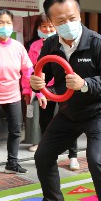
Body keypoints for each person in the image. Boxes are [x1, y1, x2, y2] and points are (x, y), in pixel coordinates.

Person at [28, 0, 101, 201]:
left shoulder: (99, 43)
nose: (67, 24)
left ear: (78, 14)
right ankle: (53, 199)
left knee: (97, 160)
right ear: (51, 22)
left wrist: (86, 84)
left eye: (71, 18)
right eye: (60, 21)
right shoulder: (50, 44)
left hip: (98, 111)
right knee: (43, 155)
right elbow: (42, 75)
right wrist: (37, 84)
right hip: (69, 111)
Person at [0, 9, 33, 175]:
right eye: (0, 23)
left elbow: (27, 69)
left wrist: (27, 90)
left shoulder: (18, 47)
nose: (5, 26)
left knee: (16, 130)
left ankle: (12, 163)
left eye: (8, 22)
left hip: (13, 95)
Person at [33, 13, 80, 170]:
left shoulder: (65, 43)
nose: (47, 29)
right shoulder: (34, 46)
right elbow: (33, 71)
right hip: (44, 90)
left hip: (64, 87)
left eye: (50, 26)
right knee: (45, 121)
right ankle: (49, 154)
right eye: (43, 26)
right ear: (38, 28)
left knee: (70, 119)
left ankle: (73, 156)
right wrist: (39, 91)